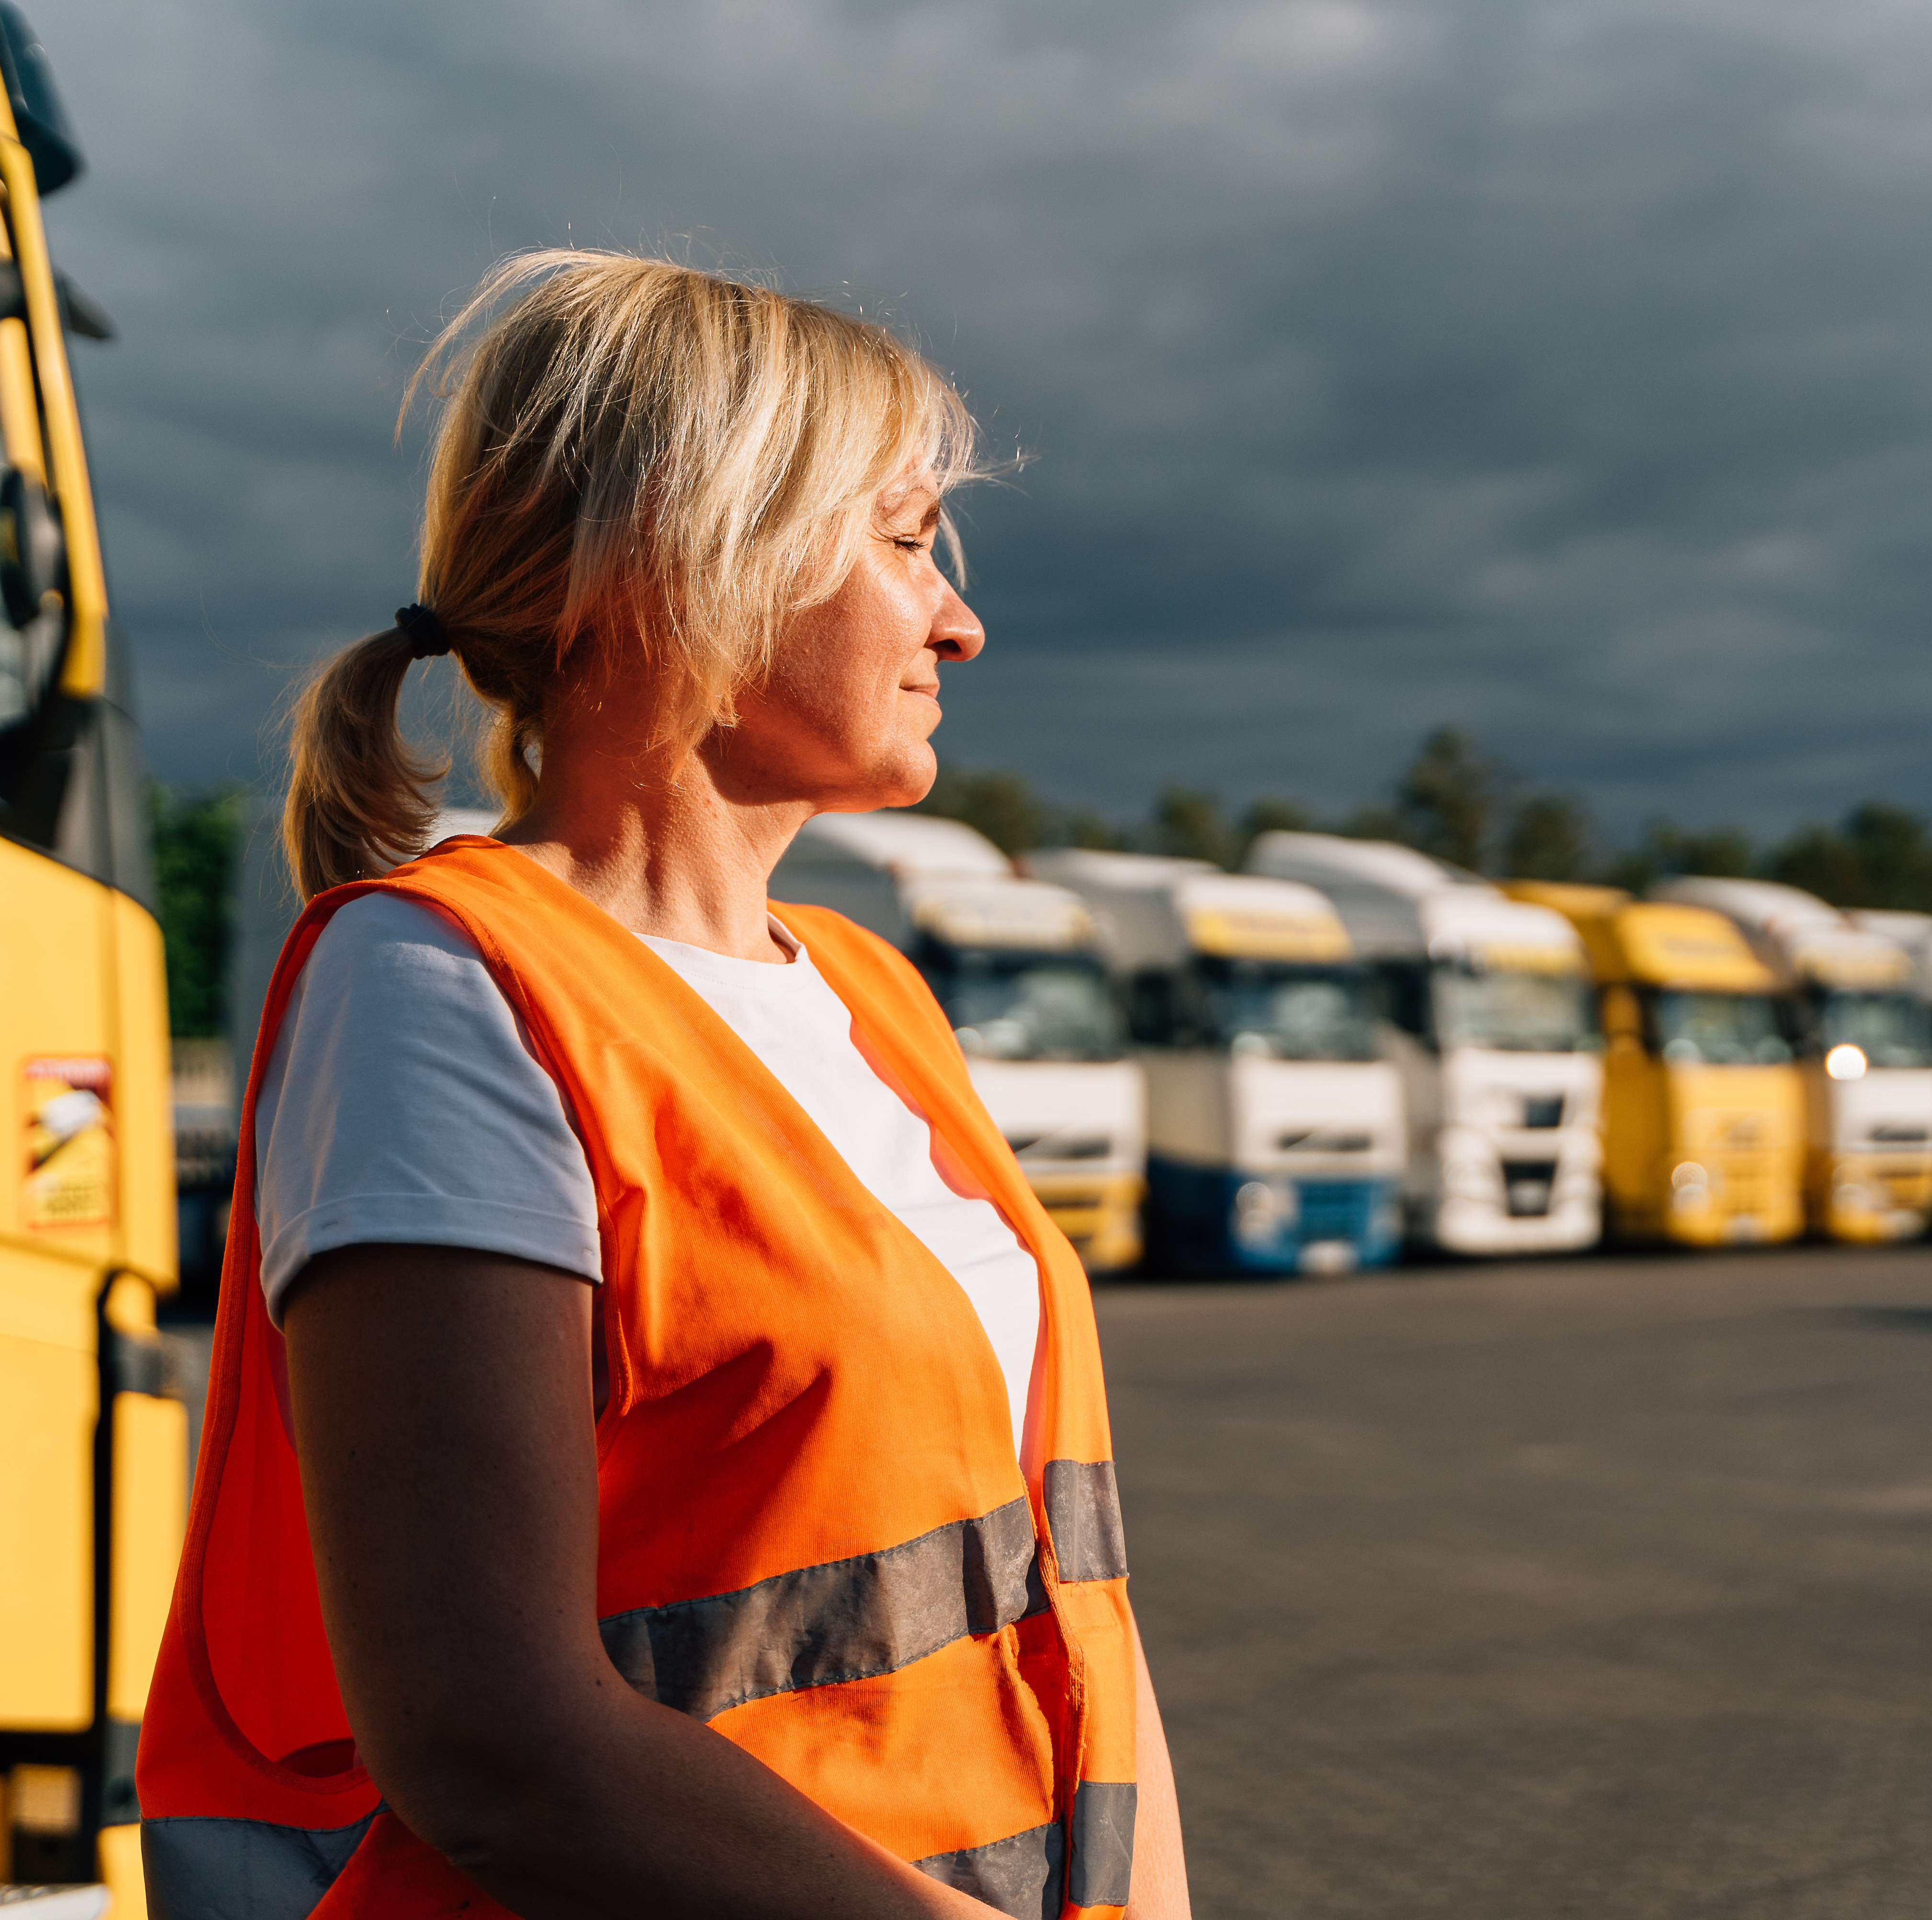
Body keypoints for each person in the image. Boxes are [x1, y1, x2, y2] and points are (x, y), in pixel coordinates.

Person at [136, 251, 1190, 1920]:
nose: (962, 621)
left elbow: (1083, 1609)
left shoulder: (873, 996)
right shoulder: (442, 982)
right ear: (693, 558)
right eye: (911, 541)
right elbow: (493, 1742)